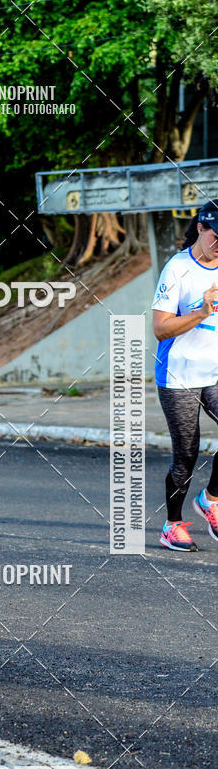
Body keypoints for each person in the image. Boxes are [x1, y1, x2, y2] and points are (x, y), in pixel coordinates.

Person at [153, 200, 218, 551]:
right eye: (216, 236)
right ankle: (172, 525)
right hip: (179, 373)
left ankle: (210, 498)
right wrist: (201, 311)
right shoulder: (177, 269)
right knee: (186, 454)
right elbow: (160, 329)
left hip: (215, 371)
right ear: (201, 229)